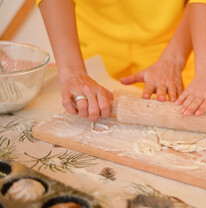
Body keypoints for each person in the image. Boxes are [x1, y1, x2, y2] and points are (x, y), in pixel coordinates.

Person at [37, 0, 194, 122]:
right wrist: (72, 70)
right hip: (91, 48)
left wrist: (173, 59)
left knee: (190, 114)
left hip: (173, 45)